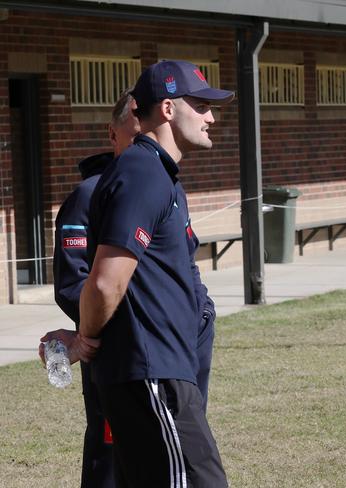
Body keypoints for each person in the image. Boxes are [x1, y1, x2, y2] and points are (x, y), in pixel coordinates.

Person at [40, 89, 217, 487]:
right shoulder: (89, 196)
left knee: (169, 459)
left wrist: (199, 313)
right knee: (114, 461)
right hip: (128, 350)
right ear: (114, 134)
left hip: (178, 349)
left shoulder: (166, 183)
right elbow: (77, 283)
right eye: (135, 133)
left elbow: (183, 266)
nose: (145, 141)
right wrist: (100, 331)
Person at [77, 60, 232, 488]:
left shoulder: (158, 173)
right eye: (200, 106)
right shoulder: (143, 172)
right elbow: (107, 281)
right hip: (153, 377)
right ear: (167, 108)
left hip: (161, 372)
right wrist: (85, 336)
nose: (211, 118)